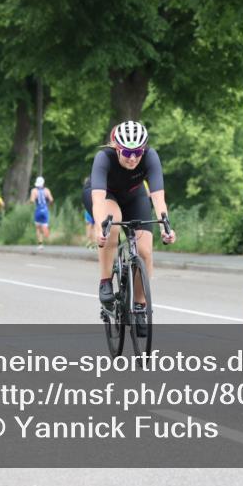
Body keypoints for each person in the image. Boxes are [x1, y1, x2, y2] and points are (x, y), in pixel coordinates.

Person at [84, 121, 176, 337]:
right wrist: (100, 227)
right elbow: (98, 199)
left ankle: (140, 306)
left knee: (144, 251)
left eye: (137, 152)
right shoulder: (103, 158)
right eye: (127, 152)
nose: (133, 158)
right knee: (112, 222)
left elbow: (158, 197)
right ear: (117, 148)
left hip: (134, 197)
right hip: (105, 196)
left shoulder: (151, 157)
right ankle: (105, 281)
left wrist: (166, 226)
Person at [29, 176, 54, 250]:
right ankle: (46, 232)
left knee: (38, 228)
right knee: (44, 225)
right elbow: (51, 200)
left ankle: (40, 244)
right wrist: (49, 205)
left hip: (38, 210)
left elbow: (32, 200)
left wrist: (30, 202)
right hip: (45, 210)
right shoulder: (47, 190)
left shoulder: (34, 191)